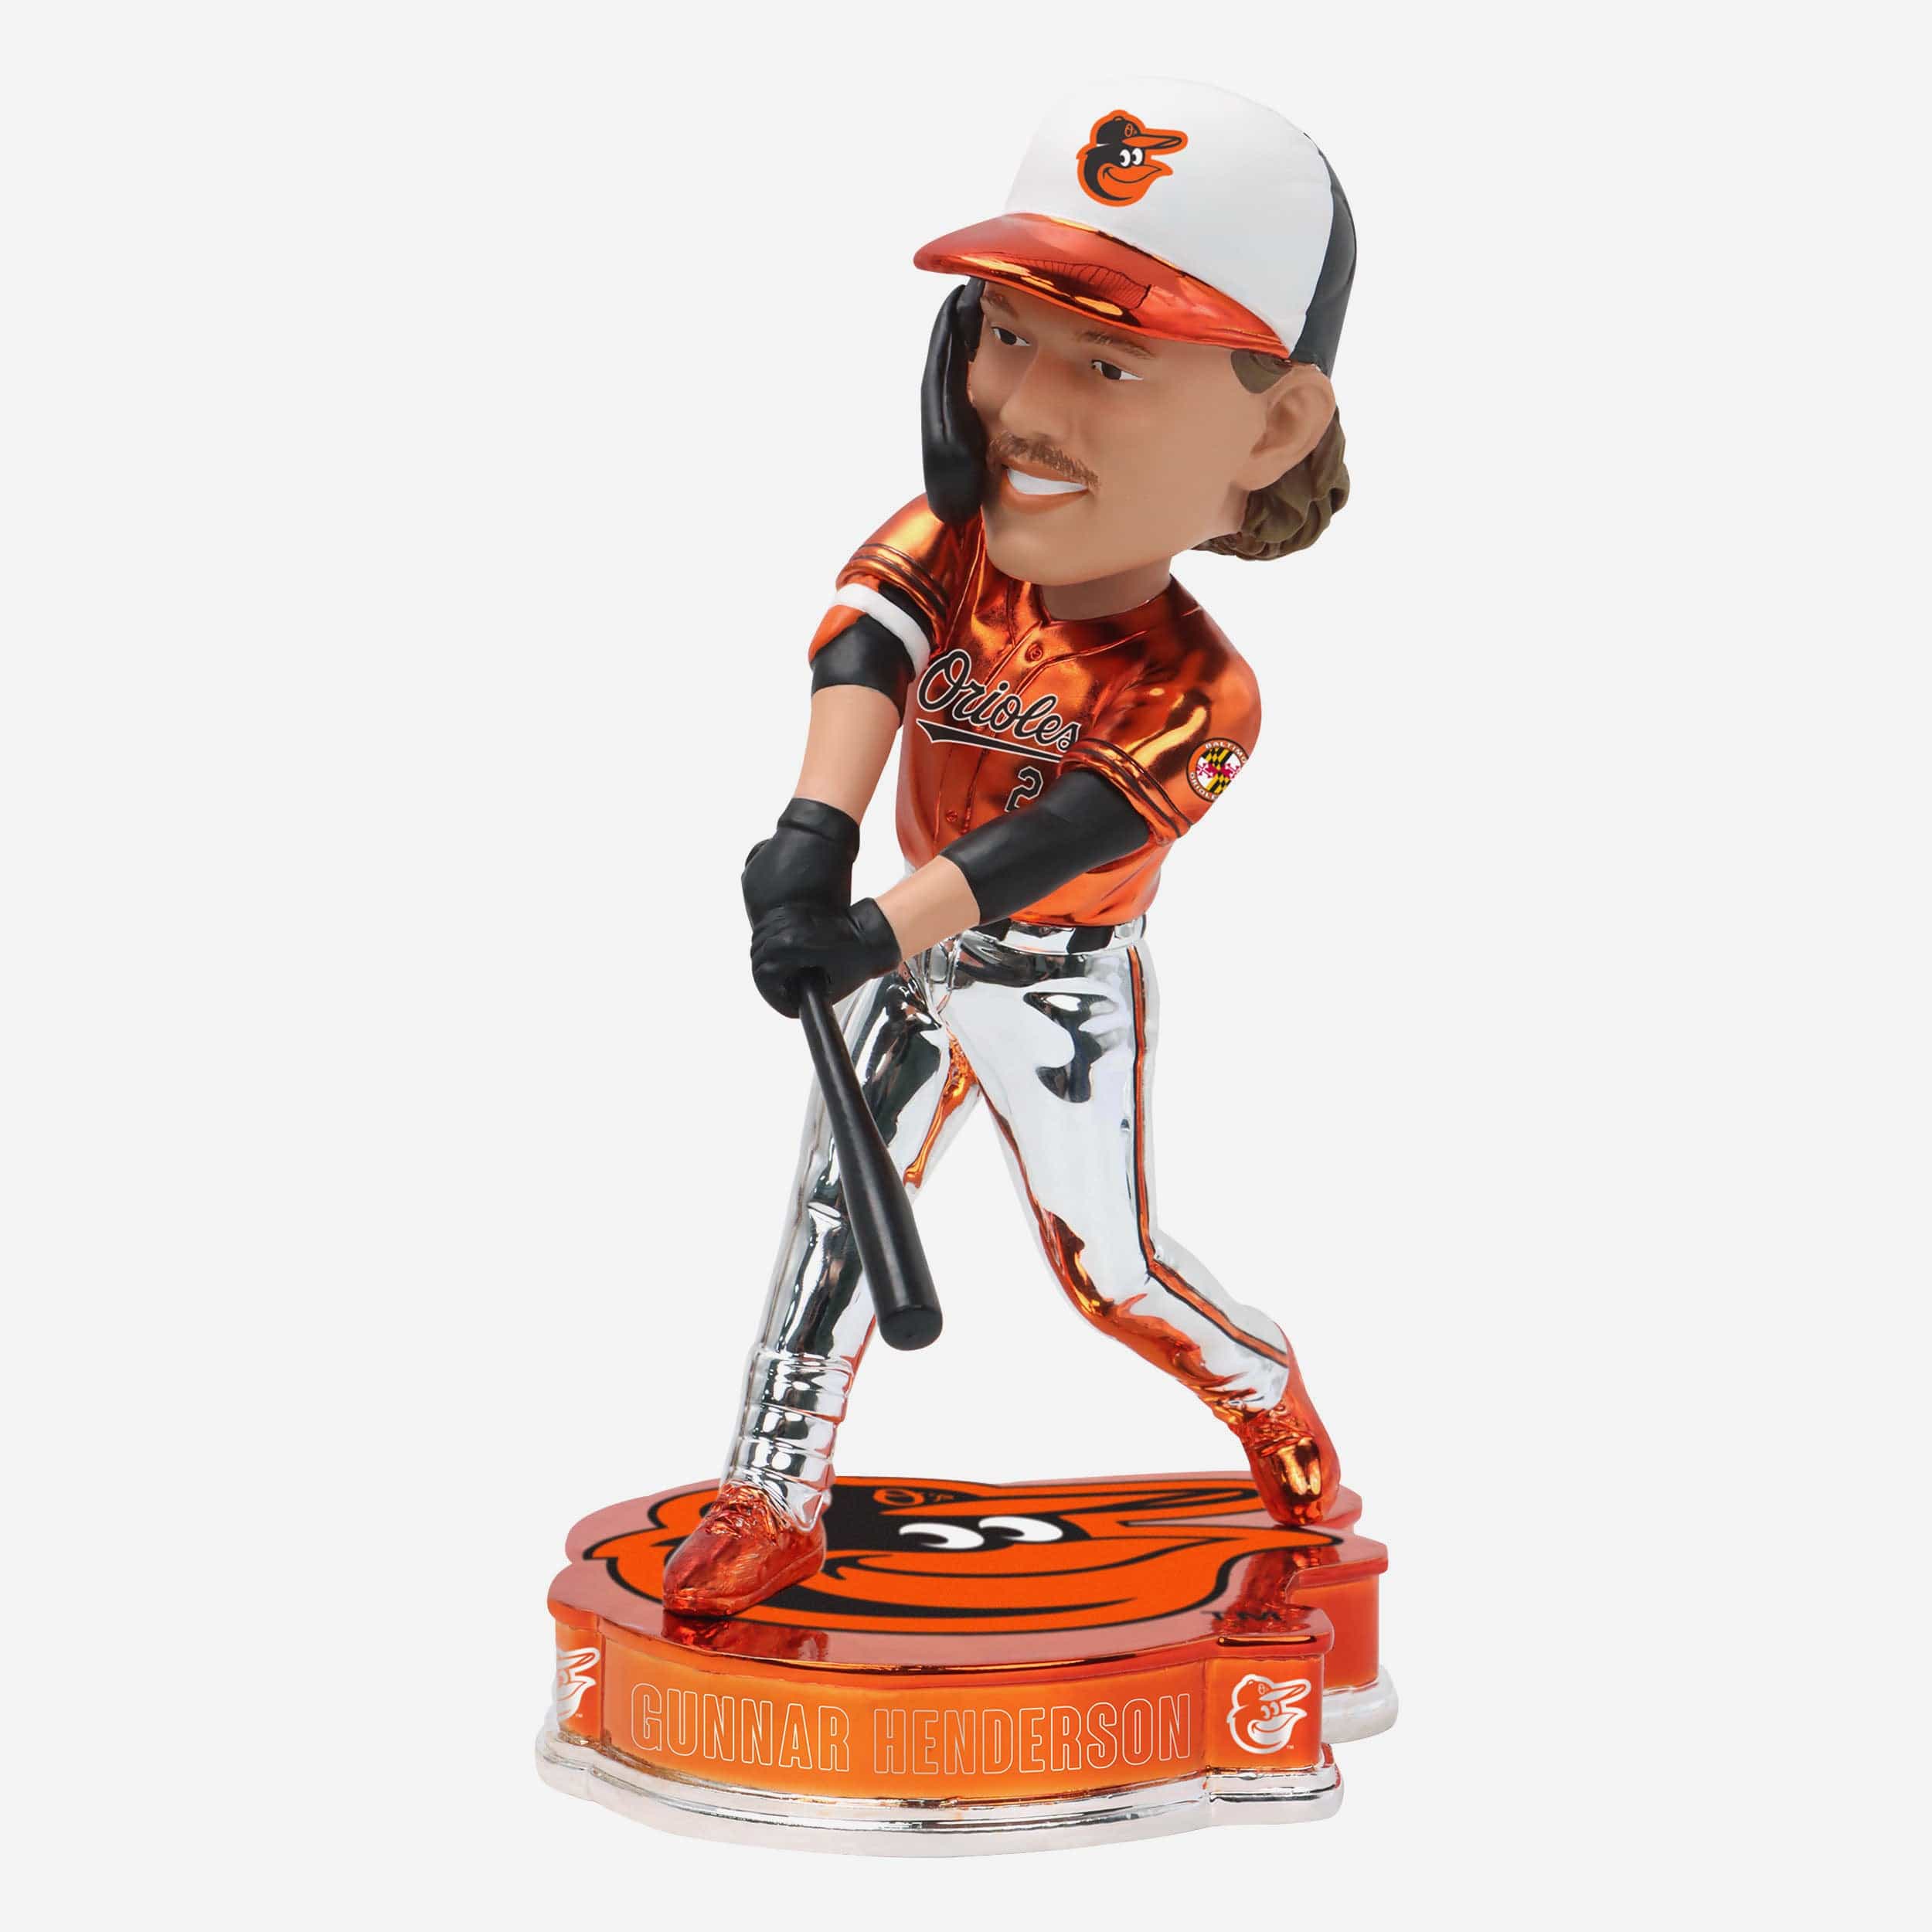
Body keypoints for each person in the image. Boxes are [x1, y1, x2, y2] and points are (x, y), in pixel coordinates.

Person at [665, 80, 1358, 1617]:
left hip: (1056, 982)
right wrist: (810, 836)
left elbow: (1050, 840)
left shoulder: (1205, 690)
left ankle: (1262, 1390)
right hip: (900, 953)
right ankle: (771, 1495)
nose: (1025, 405)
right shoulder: (956, 543)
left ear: (1272, 426)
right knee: (831, 1222)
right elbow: (865, 650)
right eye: (1005, 333)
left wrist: (869, 927)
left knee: (1110, 1270)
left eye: (1109, 362)